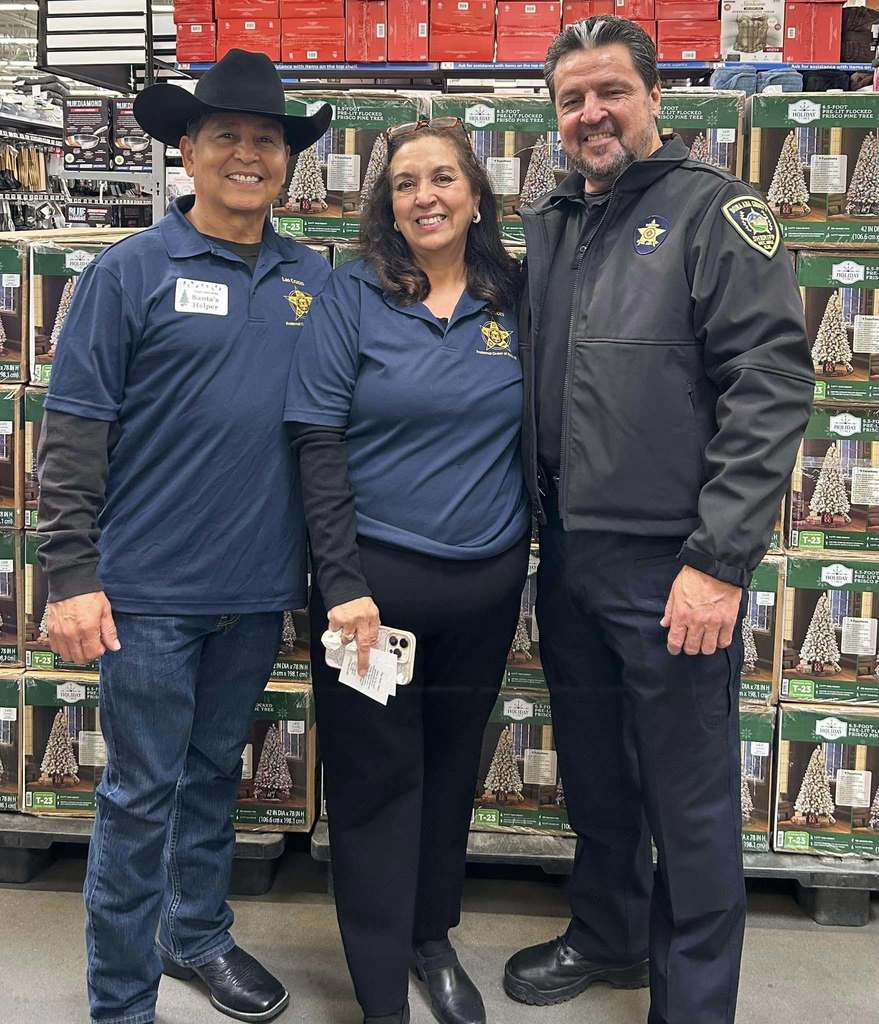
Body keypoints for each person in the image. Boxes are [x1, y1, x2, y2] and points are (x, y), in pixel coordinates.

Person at [503, 16, 813, 1024]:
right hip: (570, 554)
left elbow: (768, 389)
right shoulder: (553, 220)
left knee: (689, 800)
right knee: (597, 770)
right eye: (571, 98)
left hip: (674, 567)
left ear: (654, 99)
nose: (591, 112)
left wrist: (719, 561)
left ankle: (692, 1002)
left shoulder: (717, 214)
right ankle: (607, 932)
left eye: (610, 92)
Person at [36, 50, 331, 1024]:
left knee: (213, 776)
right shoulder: (127, 273)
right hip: (147, 595)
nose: (248, 155)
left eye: (266, 140)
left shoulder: (310, 280)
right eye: (227, 138)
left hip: (254, 592)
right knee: (137, 797)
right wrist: (69, 572)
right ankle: (121, 1003)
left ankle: (195, 931)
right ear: (187, 152)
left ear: (287, 161)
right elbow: (74, 431)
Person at [284, 120, 530, 1024]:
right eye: (402, 183)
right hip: (371, 598)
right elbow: (315, 442)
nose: (423, 196)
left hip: (485, 585)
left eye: (441, 178)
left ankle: (433, 935)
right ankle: (380, 979)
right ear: (385, 204)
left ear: (474, 193)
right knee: (375, 781)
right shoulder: (351, 295)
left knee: (451, 769)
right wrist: (341, 582)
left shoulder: (512, 294)